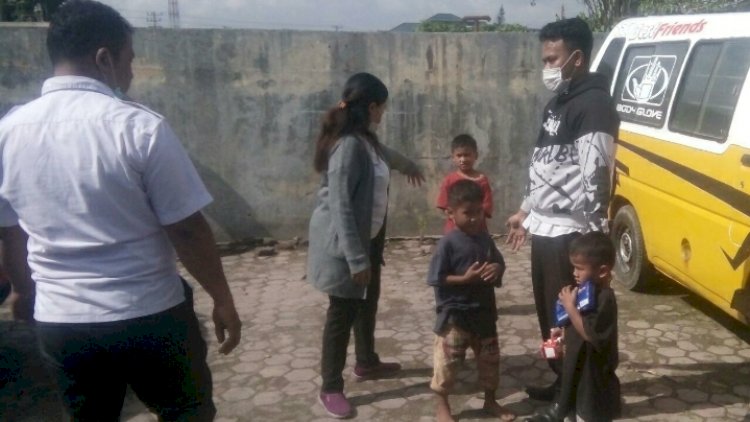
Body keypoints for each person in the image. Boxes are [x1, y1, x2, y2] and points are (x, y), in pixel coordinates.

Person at [0, 1, 242, 420]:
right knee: (185, 411)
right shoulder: (139, 127)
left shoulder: (8, 132)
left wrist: (22, 289)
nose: (130, 72)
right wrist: (222, 298)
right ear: (104, 59)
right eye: (129, 59)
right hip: (147, 313)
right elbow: (186, 229)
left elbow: (10, 229)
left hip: (62, 321)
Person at [505, 17, 619, 402]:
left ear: (577, 58)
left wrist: (595, 243)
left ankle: (574, 395)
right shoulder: (558, 103)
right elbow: (544, 164)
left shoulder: (594, 105)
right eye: (545, 60)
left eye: (552, 59)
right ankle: (561, 381)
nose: (546, 68)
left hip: (570, 235)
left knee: (570, 316)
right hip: (544, 228)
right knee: (549, 316)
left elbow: (597, 174)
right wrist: (525, 210)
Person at [307, 72, 424, 419]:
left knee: (367, 302)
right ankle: (330, 387)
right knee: (342, 314)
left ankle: (366, 361)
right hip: (344, 247)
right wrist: (357, 260)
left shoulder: (366, 141)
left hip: (367, 241)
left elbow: (387, 156)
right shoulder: (348, 146)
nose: (384, 112)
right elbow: (341, 205)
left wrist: (409, 165)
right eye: (382, 107)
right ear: (371, 106)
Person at [427, 179, 515, 422]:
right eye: (468, 213)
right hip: (455, 317)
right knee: (447, 364)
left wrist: (497, 268)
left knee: (490, 361)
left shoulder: (485, 239)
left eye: (479, 212)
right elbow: (436, 278)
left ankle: (490, 400)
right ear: (451, 213)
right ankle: (442, 405)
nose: (475, 218)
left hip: (484, 314)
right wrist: (464, 279)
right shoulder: (447, 244)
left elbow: (499, 262)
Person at [525, 231, 621, 422]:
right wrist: (562, 333)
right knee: (573, 409)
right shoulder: (587, 290)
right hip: (578, 367)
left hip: (593, 376)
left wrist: (569, 307)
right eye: (573, 267)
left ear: (602, 271)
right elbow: (579, 323)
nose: (574, 273)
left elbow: (590, 334)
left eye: (580, 268)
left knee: (588, 414)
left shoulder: (605, 298)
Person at [436, 134, 493, 234]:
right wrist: (458, 219)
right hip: (454, 230)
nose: (463, 159)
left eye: (467, 155)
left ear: (476, 155)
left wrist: (474, 218)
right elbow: (444, 205)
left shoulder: (482, 180)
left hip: (478, 230)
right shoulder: (449, 180)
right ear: (453, 157)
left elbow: (486, 206)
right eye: (459, 156)